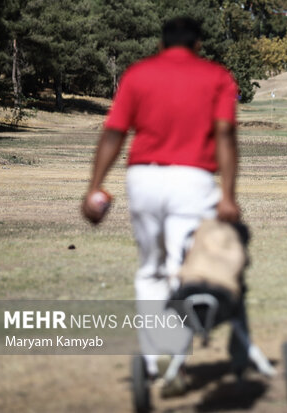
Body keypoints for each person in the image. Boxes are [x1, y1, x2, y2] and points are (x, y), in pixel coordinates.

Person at [81, 17, 242, 394]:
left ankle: (152, 364)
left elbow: (114, 132)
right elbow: (225, 134)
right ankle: (176, 364)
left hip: (144, 179)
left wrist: (94, 187)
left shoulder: (139, 74)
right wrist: (229, 195)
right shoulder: (216, 76)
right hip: (193, 180)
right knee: (182, 271)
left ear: (162, 43)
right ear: (198, 44)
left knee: (150, 270)